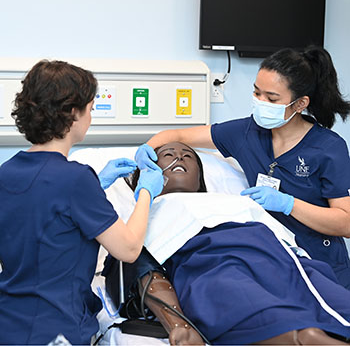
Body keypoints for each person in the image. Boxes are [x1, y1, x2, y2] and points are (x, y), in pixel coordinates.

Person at [135, 46, 350, 289]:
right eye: (256, 93)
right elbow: (178, 134)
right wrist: (145, 151)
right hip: (272, 263)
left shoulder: (329, 148)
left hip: (322, 267)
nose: (260, 102)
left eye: (271, 98)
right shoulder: (246, 133)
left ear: (300, 103)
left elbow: (346, 222)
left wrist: (288, 204)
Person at [103, 141, 350, 345]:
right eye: (167, 155)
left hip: (278, 260)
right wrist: (177, 323)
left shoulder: (234, 200)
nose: (179, 158)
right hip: (214, 266)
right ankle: (305, 337)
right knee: (277, 322)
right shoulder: (144, 212)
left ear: (200, 176)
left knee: (338, 306)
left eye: (188, 156)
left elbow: (286, 242)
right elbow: (128, 259)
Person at [0, 60, 164, 345]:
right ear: (73, 113)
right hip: (56, 331)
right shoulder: (76, 179)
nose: (91, 115)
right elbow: (128, 249)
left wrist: (95, 186)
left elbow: (40, 214)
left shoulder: (6, 171)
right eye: (91, 107)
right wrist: (146, 193)